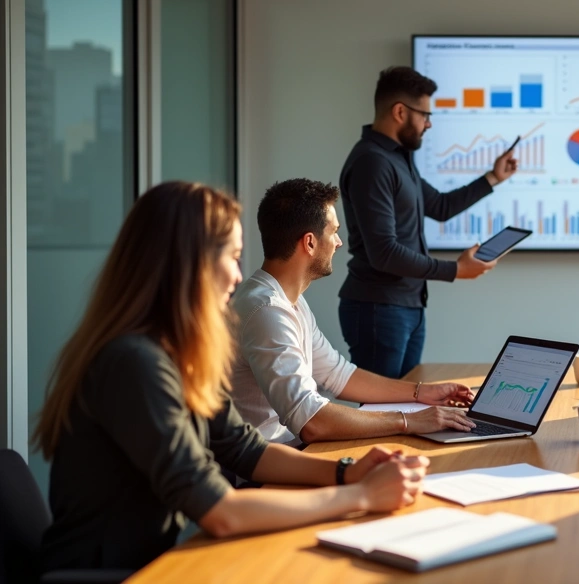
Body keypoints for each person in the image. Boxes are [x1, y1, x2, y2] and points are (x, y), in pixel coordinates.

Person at [34, 182, 429, 573]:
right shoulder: (135, 364)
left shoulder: (175, 357)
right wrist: (359, 495)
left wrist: (346, 471)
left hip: (156, 563)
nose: (239, 276)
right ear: (189, 263)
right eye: (232, 257)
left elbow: (246, 450)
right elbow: (219, 511)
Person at [231, 179, 477, 445]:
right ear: (310, 243)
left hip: (291, 452)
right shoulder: (267, 311)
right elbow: (311, 421)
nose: (338, 242)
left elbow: (340, 375)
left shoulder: (289, 301)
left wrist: (422, 393)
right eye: (334, 231)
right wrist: (409, 421)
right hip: (266, 469)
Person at [338, 66, 518, 379]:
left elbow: (440, 206)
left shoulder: (396, 158)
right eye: (424, 114)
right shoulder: (372, 162)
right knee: (381, 413)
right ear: (399, 112)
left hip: (406, 307)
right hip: (379, 309)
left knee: (403, 407)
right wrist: (455, 270)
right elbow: (384, 252)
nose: (428, 123)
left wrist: (492, 177)